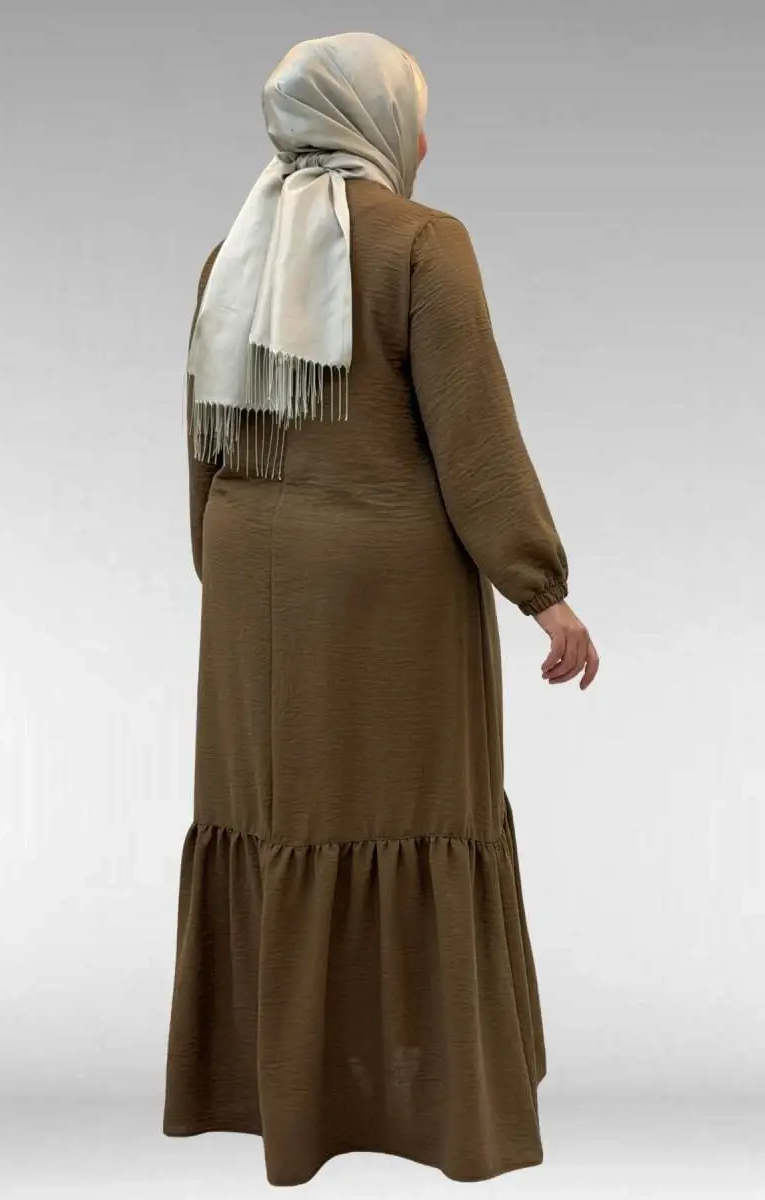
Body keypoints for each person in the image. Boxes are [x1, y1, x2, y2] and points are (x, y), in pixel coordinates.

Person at [162, 30, 599, 1187]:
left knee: (278, 819)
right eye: (413, 115)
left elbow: (202, 451)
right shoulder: (420, 244)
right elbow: (474, 437)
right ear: (370, 121)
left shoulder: (228, 255)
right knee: (410, 815)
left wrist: (233, 585)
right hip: (384, 592)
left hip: (249, 588)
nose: (425, 140)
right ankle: (430, 1109)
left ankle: (285, 1098)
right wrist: (542, 591)